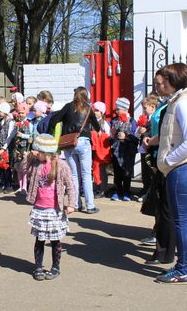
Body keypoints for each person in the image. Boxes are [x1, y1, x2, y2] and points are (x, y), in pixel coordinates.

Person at [154, 63, 187, 284]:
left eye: (163, 81)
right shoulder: (181, 101)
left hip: (181, 168)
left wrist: (169, 161)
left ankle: (184, 268)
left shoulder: (184, 103)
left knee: (181, 221)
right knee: (181, 220)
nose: (159, 85)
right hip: (182, 167)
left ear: (172, 81)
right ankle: (185, 266)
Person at [20, 134, 75, 280]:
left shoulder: (61, 165)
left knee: (56, 240)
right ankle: (38, 266)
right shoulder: (36, 164)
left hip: (55, 209)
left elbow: (70, 185)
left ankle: (55, 267)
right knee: (40, 239)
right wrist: (30, 157)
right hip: (39, 209)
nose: (36, 154)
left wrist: (71, 204)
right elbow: (22, 169)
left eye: (38, 151)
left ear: (46, 152)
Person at [47, 86, 101, 214]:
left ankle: (75, 204)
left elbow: (54, 119)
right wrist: (96, 130)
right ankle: (90, 205)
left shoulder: (68, 106)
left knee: (74, 175)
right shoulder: (88, 109)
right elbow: (97, 126)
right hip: (84, 142)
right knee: (86, 174)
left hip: (69, 143)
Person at [110, 98, 138, 201]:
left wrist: (125, 137)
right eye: (116, 109)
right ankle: (117, 191)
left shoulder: (132, 121)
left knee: (127, 172)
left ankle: (126, 191)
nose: (116, 111)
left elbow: (136, 137)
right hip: (117, 150)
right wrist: (112, 135)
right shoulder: (114, 121)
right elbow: (111, 136)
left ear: (126, 110)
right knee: (117, 172)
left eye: (118, 109)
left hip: (128, 151)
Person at [0, 101, 14, 192]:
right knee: (0, 166)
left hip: (6, 148)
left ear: (5, 112)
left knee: (6, 167)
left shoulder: (10, 122)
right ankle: (3, 183)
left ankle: (9, 185)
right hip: (0, 147)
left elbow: (10, 136)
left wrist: (4, 148)